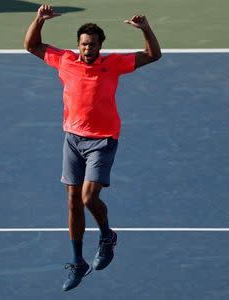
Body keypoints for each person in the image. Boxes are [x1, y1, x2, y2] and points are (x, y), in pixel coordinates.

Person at [24, 4, 161, 291]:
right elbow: (32, 45)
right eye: (85, 44)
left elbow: (152, 55)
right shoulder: (64, 60)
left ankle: (107, 236)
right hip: (72, 139)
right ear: (79, 45)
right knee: (73, 201)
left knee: (88, 198)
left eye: (93, 44)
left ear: (100, 46)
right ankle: (78, 262)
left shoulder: (112, 64)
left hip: (103, 140)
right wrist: (39, 19)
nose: (88, 48)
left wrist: (146, 28)